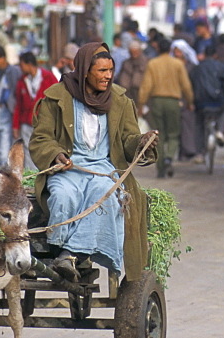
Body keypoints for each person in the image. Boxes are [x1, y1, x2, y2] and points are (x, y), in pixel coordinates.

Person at [28, 43, 158, 283]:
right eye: (101, 71)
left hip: (105, 171)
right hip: (69, 170)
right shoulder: (56, 97)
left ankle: (70, 254)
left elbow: (128, 140)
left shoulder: (120, 100)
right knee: (62, 195)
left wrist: (141, 142)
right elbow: (41, 138)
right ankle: (59, 252)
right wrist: (56, 154)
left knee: (106, 196)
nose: (108, 76)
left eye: (110, 70)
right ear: (85, 70)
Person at [139, 38, 194, 178]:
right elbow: (186, 86)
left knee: (158, 135)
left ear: (158, 49)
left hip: (156, 101)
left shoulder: (153, 64)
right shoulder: (178, 64)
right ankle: (169, 157)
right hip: (173, 102)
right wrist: (190, 101)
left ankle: (161, 167)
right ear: (170, 49)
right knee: (174, 134)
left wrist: (141, 104)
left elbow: (146, 87)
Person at [13, 51, 58, 170]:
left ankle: (45, 173)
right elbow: (18, 104)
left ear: (29, 64)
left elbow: (57, 99)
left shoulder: (48, 77)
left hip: (44, 121)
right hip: (26, 122)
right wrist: (16, 126)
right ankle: (31, 175)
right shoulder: (22, 81)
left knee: (45, 148)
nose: (20, 68)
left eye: (21, 65)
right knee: (27, 150)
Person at [190, 44, 224, 162]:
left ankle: (199, 153)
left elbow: (190, 84)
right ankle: (219, 130)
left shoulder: (197, 68)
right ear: (215, 55)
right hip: (217, 102)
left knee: (199, 125)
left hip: (200, 103)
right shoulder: (221, 67)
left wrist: (192, 100)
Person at [171, 39, 200, 161]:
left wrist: (190, 99)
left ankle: (188, 150)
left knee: (187, 124)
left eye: (179, 51)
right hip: (174, 96)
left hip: (187, 98)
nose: (177, 54)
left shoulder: (191, 66)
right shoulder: (172, 65)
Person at [115, 40, 148, 107]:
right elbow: (120, 78)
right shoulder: (126, 63)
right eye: (131, 52)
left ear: (140, 51)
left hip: (142, 97)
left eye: (135, 52)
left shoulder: (146, 62)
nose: (134, 54)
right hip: (128, 96)